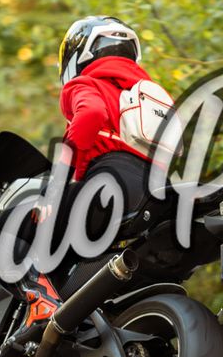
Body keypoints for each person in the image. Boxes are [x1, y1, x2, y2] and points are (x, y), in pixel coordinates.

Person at [16, 16, 156, 328]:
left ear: (78, 56)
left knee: (17, 226)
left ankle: (40, 300)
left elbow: (90, 113)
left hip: (109, 185)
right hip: (153, 194)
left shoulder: (87, 83)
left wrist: (56, 186)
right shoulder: (147, 95)